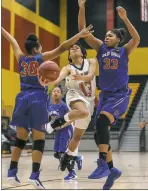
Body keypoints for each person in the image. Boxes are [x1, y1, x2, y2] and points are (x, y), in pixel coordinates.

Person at [1, 25, 93, 189]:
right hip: (38, 97)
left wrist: (2, 29)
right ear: (36, 48)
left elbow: (12, 41)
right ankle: (34, 175)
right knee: (39, 139)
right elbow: (63, 47)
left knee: (20, 138)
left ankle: (12, 172)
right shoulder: (41, 58)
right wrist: (78, 35)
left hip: (22, 98)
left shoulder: (21, 58)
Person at [77, 0, 140, 189]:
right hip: (104, 96)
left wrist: (125, 18)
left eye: (111, 35)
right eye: (106, 34)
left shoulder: (124, 51)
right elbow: (82, 31)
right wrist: (81, 7)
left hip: (120, 95)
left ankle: (103, 163)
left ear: (118, 40)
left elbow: (137, 38)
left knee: (103, 122)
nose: (106, 36)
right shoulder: (101, 48)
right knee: (98, 133)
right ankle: (113, 169)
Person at [41, 41, 96, 172]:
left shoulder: (92, 61)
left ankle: (67, 156)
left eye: (77, 47)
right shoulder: (68, 68)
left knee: (77, 137)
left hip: (90, 100)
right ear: (70, 57)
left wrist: (81, 77)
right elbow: (57, 79)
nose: (74, 47)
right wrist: (47, 81)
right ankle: (55, 123)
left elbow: (91, 75)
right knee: (83, 112)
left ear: (83, 53)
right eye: (71, 49)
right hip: (74, 95)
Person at [48, 87, 83, 180]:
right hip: (58, 131)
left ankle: (72, 173)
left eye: (58, 92)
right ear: (51, 94)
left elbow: (72, 118)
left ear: (61, 94)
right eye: (54, 91)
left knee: (62, 153)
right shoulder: (50, 106)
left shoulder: (64, 106)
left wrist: (62, 126)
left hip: (66, 130)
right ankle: (77, 158)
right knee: (57, 154)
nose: (56, 93)